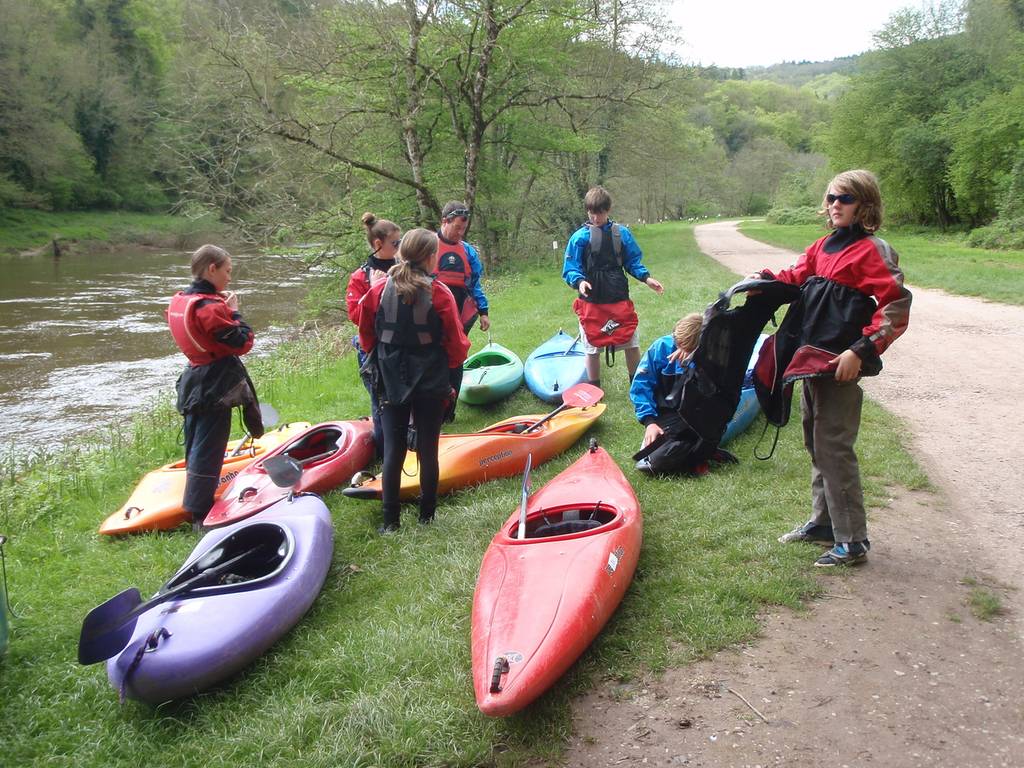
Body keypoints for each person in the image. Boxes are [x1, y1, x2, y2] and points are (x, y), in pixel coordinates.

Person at [756, 169, 912, 567]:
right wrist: (767, 281)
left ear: (865, 205)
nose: (835, 205)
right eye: (830, 198)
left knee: (834, 447)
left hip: (841, 363)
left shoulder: (873, 250)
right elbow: (798, 275)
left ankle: (852, 539)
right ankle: (823, 523)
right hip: (811, 359)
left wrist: (861, 350)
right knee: (813, 439)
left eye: (845, 199)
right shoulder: (823, 246)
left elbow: (895, 305)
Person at [358, 228, 470, 534]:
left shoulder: (379, 289)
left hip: (391, 377)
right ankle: (426, 517)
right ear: (431, 257)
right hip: (430, 378)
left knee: (393, 450)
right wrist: (448, 371)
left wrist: (382, 357)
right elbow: (458, 345)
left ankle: (390, 523)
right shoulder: (440, 293)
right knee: (427, 448)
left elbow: (365, 332)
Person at [167, 244, 258, 527]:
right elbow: (243, 342)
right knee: (210, 445)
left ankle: (195, 503)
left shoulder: (182, 299)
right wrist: (235, 312)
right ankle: (200, 513)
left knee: (197, 441)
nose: (229, 278)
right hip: (214, 383)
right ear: (212, 269)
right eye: (227, 271)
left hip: (194, 379)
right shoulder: (211, 308)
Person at [563, 186, 663, 385]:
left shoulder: (622, 234)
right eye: (591, 212)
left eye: (599, 212)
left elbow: (632, 261)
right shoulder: (579, 238)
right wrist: (580, 281)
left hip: (618, 298)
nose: (595, 217)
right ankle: (594, 388)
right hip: (591, 301)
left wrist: (646, 278)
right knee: (592, 347)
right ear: (587, 211)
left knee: (631, 342)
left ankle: (636, 384)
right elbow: (571, 267)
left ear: (607, 210)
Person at [347, 212, 402, 455]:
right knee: (380, 400)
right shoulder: (361, 277)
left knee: (404, 395)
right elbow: (356, 317)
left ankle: (406, 442)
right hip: (372, 348)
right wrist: (376, 290)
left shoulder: (405, 269)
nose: (400, 247)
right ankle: (384, 449)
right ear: (379, 244)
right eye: (395, 243)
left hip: (402, 344)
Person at [630, 312, 703, 450]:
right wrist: (649, 422)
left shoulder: (707, 354)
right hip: (667, 413)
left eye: (686, 348)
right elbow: (641, 386)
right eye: (677, 343)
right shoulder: (661, 348)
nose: (679, 350)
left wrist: (692, 362)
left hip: (695, 413)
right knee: (653, 454)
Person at [435, 201, 490, 336]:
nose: (460, 233)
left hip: (460, 311)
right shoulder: (426, 246)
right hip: (432, 313)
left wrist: (484, 312)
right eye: (457, 227)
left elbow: (475, 284)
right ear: (445, 221)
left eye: (464, 228)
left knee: (458, 353)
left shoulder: (468, 251)